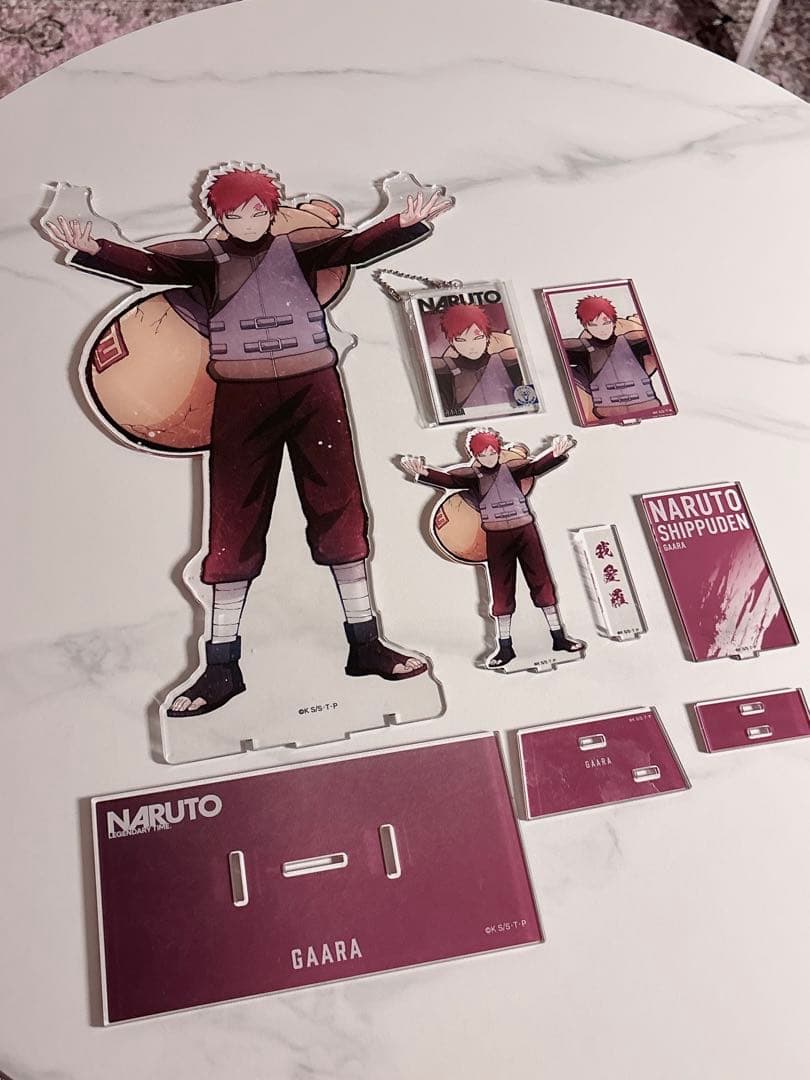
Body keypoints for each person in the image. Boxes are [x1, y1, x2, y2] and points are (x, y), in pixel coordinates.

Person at [45, 163, 453, 715]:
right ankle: (220, 665)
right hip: (241, 395)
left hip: (314, 388)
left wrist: (404, 222)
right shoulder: (205, 260)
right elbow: (148, 266)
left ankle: (365, 642)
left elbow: (355, 247)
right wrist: (90, 246)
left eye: (258, 211)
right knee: (233, 520)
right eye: (236, 214)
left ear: (272, 210)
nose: (248, 221)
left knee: (340, 506)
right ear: (218, 216)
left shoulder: (300, 251)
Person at [400, 428, 584, 667]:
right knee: (501, 589)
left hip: (525, 531)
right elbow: (449, 480)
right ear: (475, 455)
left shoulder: (513, 469)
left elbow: (536, 468)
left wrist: (556, 453)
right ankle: (504, 647)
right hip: (496, 536)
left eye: (492, 452)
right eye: (482, 454)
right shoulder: (472, 476)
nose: (488, 457)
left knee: (542, 581)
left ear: (498, 451)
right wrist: (422, 472)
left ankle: (559, 637)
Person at [562, 295, 661, 423]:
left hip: (648, 409)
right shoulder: (582, 348)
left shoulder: (632, 341)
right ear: (585, 326)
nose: (601, 329)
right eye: (593, 325)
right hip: (607, 414)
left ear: (613, 322)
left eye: (606, 322)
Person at [432, 304, 524, 416]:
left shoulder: (505, 359)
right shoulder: (444, 367)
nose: (471, 346)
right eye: (461, 340)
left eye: (478, 338)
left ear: (487, 337)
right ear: (451, 342)